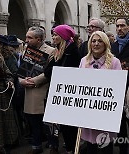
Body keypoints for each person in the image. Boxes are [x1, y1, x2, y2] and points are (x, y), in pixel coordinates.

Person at [79, 31, 122, 154]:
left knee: (105, 146)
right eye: (93, 41)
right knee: (90, 146)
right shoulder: (84, 61)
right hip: (89, 112)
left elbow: (117, 87)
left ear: (105, 43)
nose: (96, 44)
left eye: (100, 41)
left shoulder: (114, 62)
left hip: (105, 113)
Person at [44, 24, 81, 154]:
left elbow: (66, 72)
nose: (53, 37)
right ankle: (70, 147)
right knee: (63, 125)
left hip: (68, 93)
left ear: (63, 36)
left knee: (70, 125)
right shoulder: (58, 51)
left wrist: (54, 70)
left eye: (56, 35)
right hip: (59, 91)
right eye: (53, 34)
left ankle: (72, 148)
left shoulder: (71, 51)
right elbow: (47, 71)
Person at [19, 26, 55, 154]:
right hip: (28, 92)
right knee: (33, 122)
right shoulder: (25, 51)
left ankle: (52, 145)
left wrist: (34, 81)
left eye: (30, 37)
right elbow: (21, 70)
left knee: (47, 123)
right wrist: (21, 81)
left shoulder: (51, 51)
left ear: (39, 39)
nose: (26, 40)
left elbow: (49, 72)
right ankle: (36, 146)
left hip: (43, 90)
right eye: (26, 37)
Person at [111, 18, 129, 154]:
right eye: (117, 26)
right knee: (120, 118)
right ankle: (123, 147)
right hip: (116, 87)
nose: (119, 28)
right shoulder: (113, 46)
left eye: (122, 25)